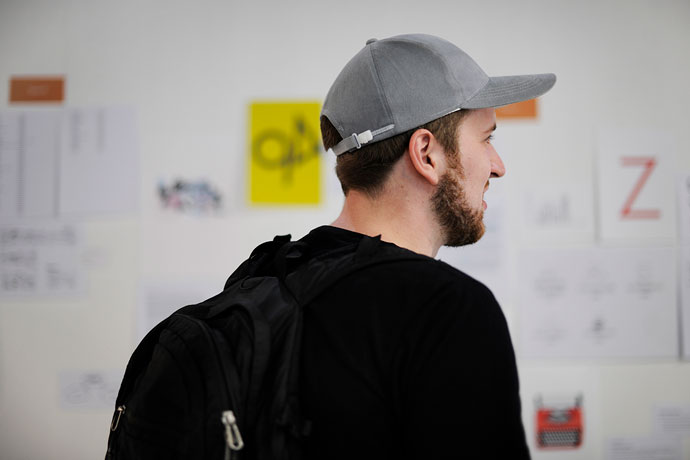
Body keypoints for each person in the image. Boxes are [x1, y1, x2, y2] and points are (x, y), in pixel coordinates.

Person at [293, 34, 556, 459]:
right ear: (426, 154)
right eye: (486, 139)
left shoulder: (263, 282)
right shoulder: (448, 312)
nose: (498, 166)